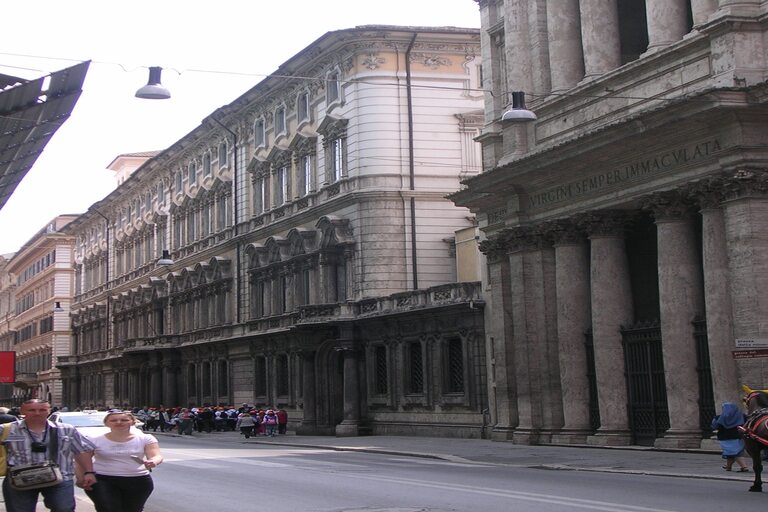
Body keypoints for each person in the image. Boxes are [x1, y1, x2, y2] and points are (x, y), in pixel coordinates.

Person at [1, 399, 96, 512]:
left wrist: (89, 472)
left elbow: (82, 451)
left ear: (49, 411)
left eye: (42, 410)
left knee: (64, 509)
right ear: (22, 411)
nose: (37, 413)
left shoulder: (66, 429)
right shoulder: (6, 430)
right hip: (19, 479)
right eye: (32, 410)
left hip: (60, 478)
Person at [77, 410, 162, 512]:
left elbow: (156, 455)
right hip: (102, 480)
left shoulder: (146, 438)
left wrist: (153, 461)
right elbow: (81, 460)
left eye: (124, 420)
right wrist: (83, 476)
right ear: (106, 423)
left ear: (132, 422)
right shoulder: (94, 440)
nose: (119, 422)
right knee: (108, 509)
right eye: (113, 420)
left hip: (138, 480)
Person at [712, 402, 749, 472]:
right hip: (739, 437)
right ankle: (728, 466)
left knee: (733, 453)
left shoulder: (719, 418)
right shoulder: (743, 416)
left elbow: (714, 426)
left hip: (725, 438)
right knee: (735, 452)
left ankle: (744, 467)